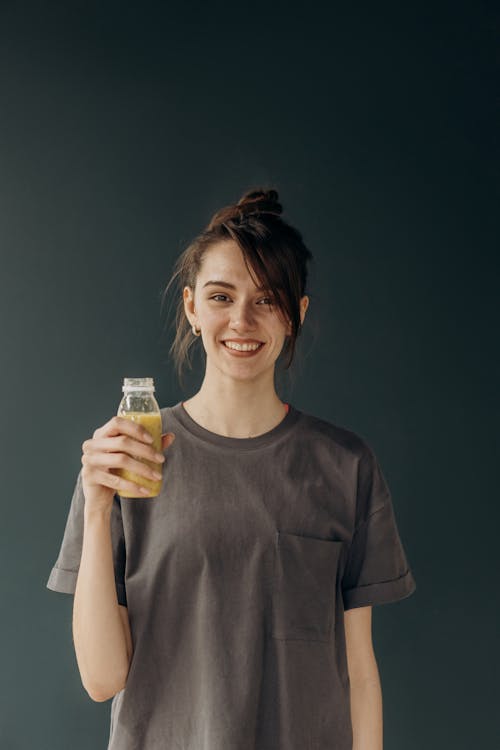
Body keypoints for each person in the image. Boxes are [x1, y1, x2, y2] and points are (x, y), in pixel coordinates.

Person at [46, 187, 416, 750]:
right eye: (222, 296)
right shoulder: (127, 460)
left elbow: (360, 672)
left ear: (297, 315)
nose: (242, 320)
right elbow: (102, 680)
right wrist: (98, 508)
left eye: (267, 300)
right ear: (193, 308)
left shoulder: (345, 465)